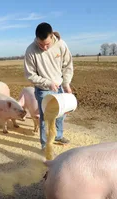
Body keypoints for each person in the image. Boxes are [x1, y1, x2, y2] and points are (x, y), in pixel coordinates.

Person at [24, 22, 74, 150]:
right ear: (36, 39)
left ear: (52, 36)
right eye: (41, 44)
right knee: (46, 117)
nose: (44, 48)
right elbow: (30, 75)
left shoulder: (61, 45)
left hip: (60, 87)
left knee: (61, 113)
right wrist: (48, 83)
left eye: (47, 44)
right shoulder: (31, 50)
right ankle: (45, 144)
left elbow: (67, 65)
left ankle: (58, 136)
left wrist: (66, 84)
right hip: (43, 89)